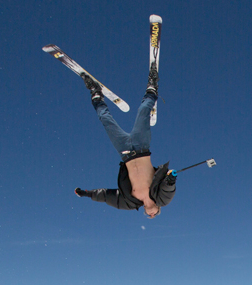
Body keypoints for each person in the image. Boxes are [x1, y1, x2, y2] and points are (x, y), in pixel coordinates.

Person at [73, 62, 176, 217]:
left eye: (149, 215)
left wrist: (86, 194)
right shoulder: (160, 197)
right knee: (143, 111)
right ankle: (152, 85)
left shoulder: (129, 202)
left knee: (105, 120)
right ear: (158, 209)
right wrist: (171, 179)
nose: (151, 214)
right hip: (141, 147)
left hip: (125, 152)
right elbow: (168, 191)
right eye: (155, 214)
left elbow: (106, 196)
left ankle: (95, 93)